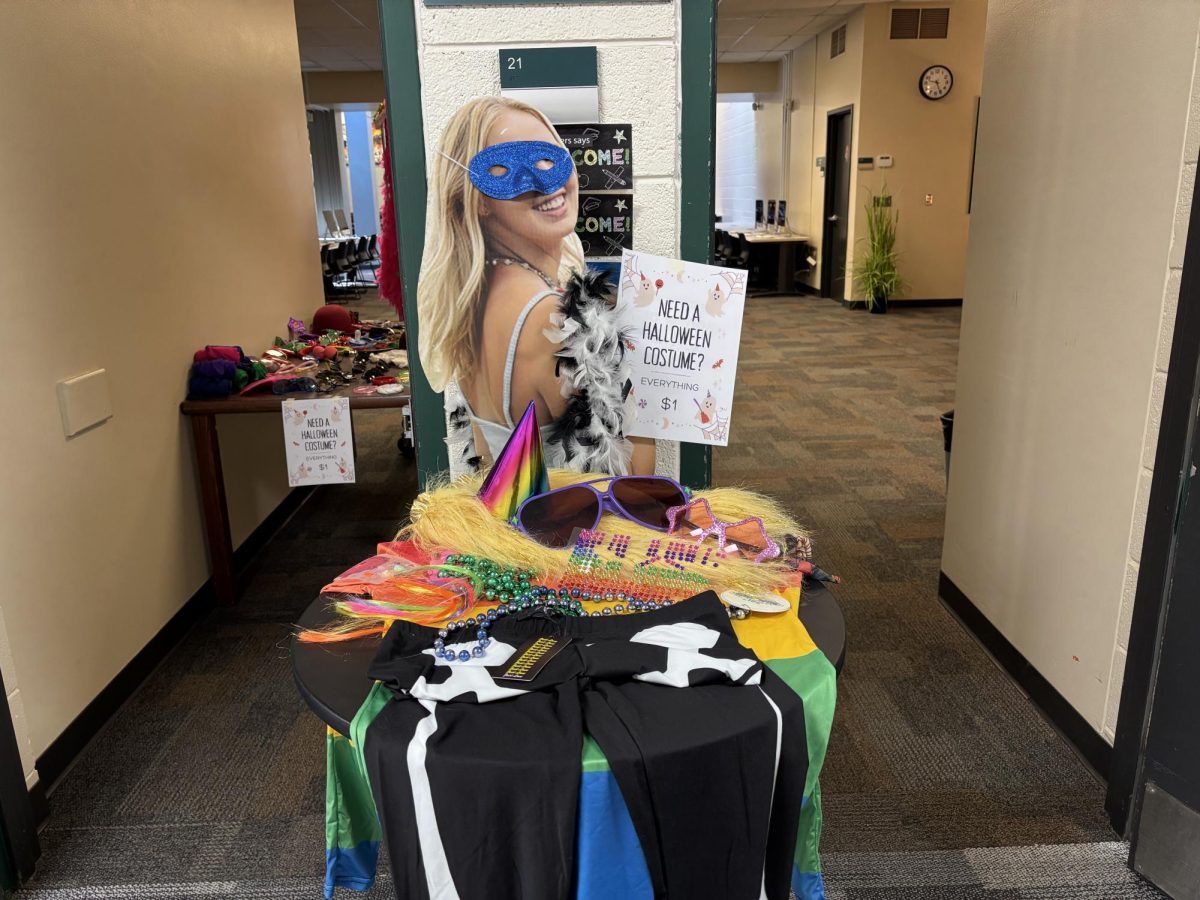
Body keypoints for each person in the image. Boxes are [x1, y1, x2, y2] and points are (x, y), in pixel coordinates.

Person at [417, 96, 654, 475]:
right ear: (479, 201)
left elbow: (486, 460)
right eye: (507, 168)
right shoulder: (553, 319)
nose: (546, 181)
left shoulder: (472, 302)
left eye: (549, 157)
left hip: (515, 528)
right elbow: (631, 481)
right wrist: (641, 398)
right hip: (576, 531)